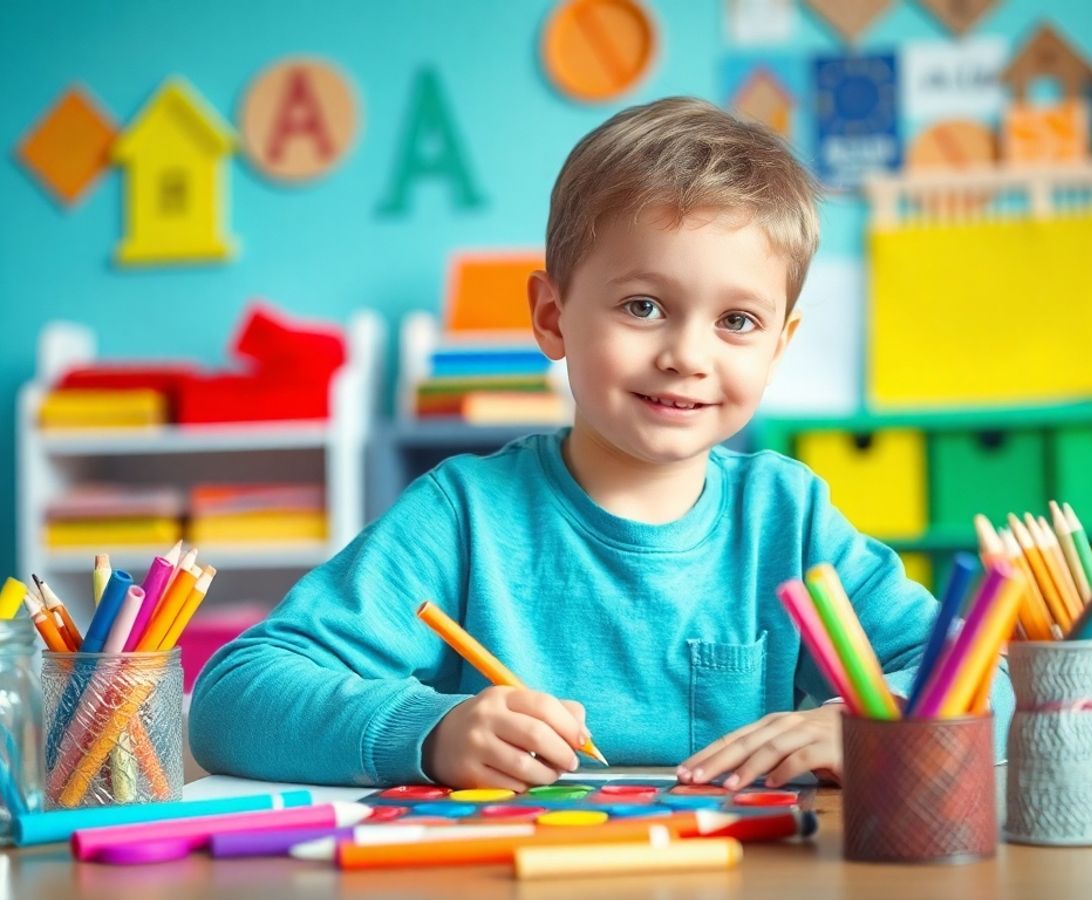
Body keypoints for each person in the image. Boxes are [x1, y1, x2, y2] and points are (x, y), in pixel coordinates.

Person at [189, 97, 1013, 790]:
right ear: (552, 316)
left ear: (779, 345)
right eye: (644, 306)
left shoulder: (787, 518)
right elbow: (233, 697)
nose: (687, 355)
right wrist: (432, 732)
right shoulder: (464, 516)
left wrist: (871, 727)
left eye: (737, 321)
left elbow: (985, 680)